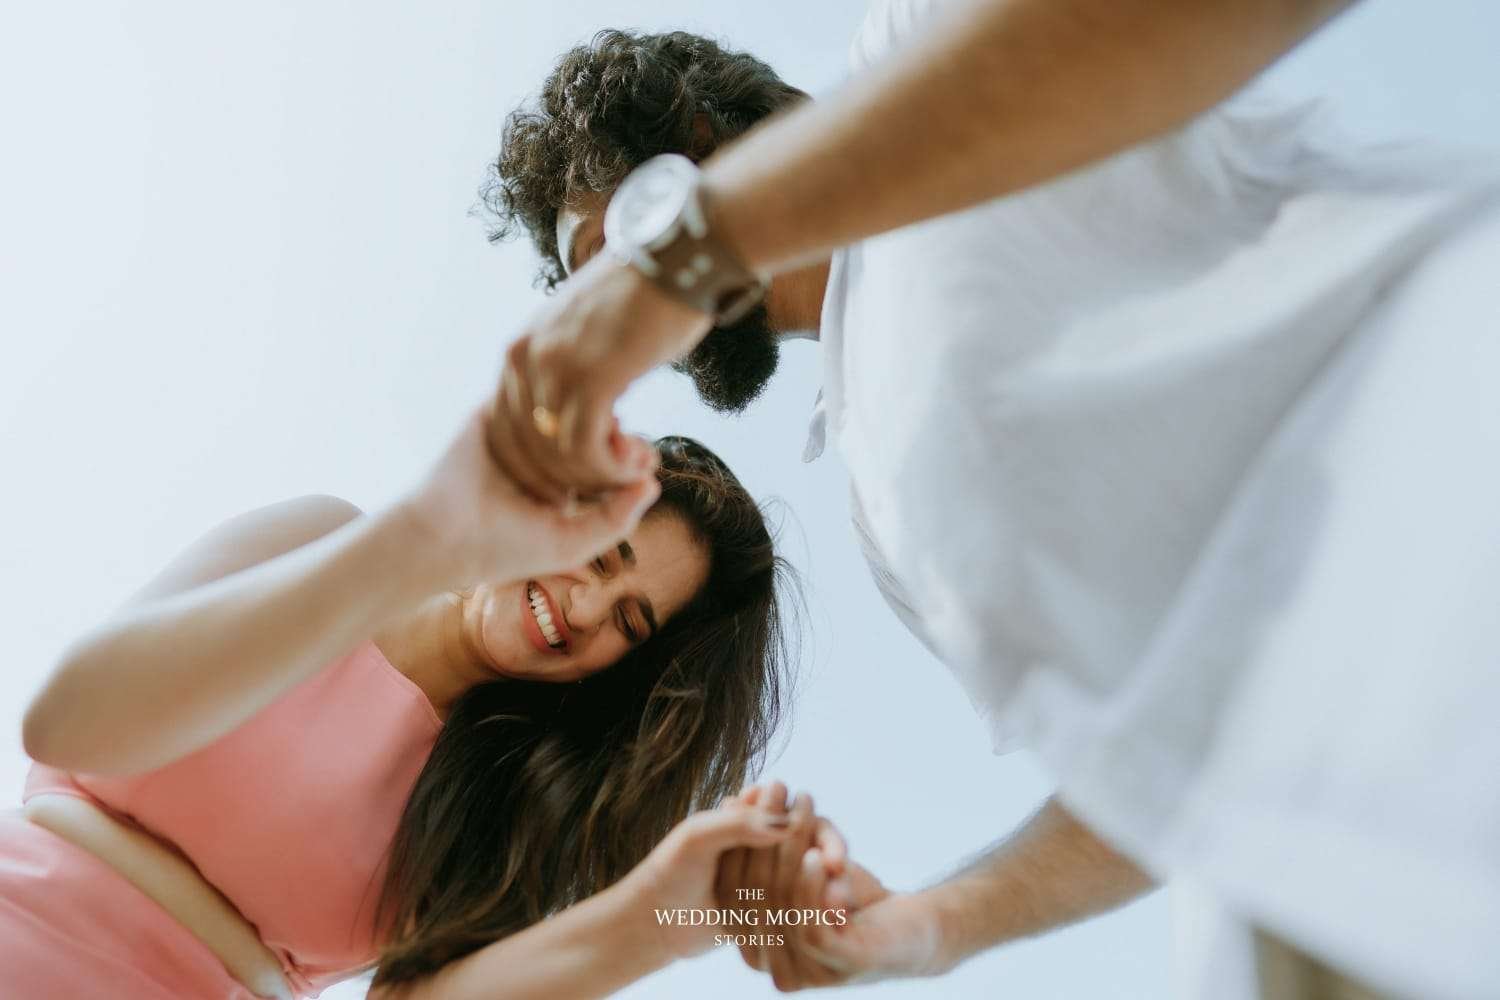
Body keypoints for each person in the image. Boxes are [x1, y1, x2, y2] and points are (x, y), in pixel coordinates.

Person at [482, 4, 1500, 997]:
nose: (625, 312)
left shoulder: (915, 48)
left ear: (698, 137)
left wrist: (706, 238)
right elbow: (1141, 772)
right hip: (1345, 871)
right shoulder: (881, 525)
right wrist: (925, 929)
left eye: (616, 252)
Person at [8, 397, 816, 998]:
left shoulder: (507, 799)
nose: (582, 610)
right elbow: (63, 723)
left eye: (628, 624)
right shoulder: (328, 540)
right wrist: (426, 543)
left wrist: (675, 918)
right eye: (601, 559)